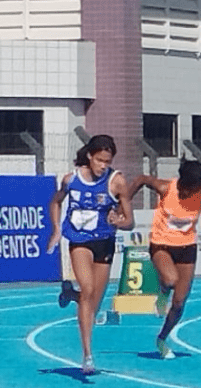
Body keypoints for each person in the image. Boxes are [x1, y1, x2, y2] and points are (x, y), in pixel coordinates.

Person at [47, 135, 134, 375]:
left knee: (93, 301)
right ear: (89, 156)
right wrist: (56, 229)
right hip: (79, 240)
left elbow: (130, 221)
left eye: (107, 161)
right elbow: (55, 202)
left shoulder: (116, 182)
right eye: (99, 160)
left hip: (104, 243)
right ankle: (87, 355)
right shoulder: (71, 180)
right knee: (87, 290)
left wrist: (120, 221)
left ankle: (69, 293)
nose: (103, 166)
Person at [129, 159, 201, 359]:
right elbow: (141, 179)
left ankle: (162, 339)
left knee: (180, 302)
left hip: (187, 247)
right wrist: (123, 204)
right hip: (161, 244)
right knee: (170, 280)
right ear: (187, 184)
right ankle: (162, 292)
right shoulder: (166, 188)